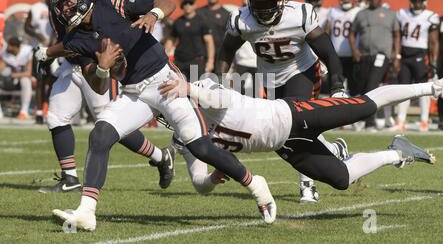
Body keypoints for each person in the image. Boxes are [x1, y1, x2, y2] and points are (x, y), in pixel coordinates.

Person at [49, 0, 276, 230]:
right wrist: (102, 68)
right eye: (61, 4)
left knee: (201, 148)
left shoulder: (112, 0)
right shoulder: (74, 39)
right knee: (100, 134)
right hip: (134, 92)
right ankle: (86, 212)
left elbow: (167, 2)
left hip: (165, 82)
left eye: (68, 1)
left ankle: (256, 185)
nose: (65, 9)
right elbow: (98, 85)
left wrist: (153, 15)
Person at [34, 0, 174, 194]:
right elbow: (68, 42)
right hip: (74, 62)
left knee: (108, 124)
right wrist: (48, 53)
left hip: (96, 63)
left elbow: (83, 39)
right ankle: (69, 178)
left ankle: (160, 156)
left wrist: (48, 52)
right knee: (56, 116)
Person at [159, 74, 438, 196]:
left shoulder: (200, 90)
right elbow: (198, 183)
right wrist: (211, 177)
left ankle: (433, 87)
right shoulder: (187, 136)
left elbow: (218, 98)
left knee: (363, 107)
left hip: (293, 114)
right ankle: (397, 152)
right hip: (284, 144)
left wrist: (190, 90)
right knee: (341, 179)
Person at [217, 0, 346, 203]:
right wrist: (217, 81)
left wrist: (337, 85)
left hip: (302, 71)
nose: (264, 10)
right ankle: (334, 151)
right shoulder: (241, 19)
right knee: (280, 135)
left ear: (282, 0)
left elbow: (327, 51)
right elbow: (227, 50)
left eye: (268, 3)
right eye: (258, 4)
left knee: (299, 128)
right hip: (269, 78)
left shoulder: (299, 15)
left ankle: (308, 184)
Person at [349, 0, 401, 130]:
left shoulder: (390, 13)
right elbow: (351, 33)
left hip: (381, 55)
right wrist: (354, 50)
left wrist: (396, 55)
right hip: (364, 55)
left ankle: (370, 121)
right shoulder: (361, 14)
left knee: (372, 86)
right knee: (364, 87)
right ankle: (363, 119)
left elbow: (397, 34)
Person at [394, 0, 440, 132]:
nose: (417, 4)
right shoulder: (402, 13)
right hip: (405, 55)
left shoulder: (430, 16)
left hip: (420, 55)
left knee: (424, 90)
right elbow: (397, 36)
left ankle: (424, 121)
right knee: (403, 89)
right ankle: (401, 121)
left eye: (419, 1)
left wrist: (433, 63)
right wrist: (396, 55)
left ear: (424, 2)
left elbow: (434, 42)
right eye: (414, 1)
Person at [165, 0, 215, 81]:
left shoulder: (201, 21)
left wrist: (210, 61)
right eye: (185, 3)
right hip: (179, 61)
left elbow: (209, 41)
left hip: (196, 60)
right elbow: (171, 39)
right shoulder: (178, 22)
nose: (187, 5)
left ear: (195, 5)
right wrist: (164, 56)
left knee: (195, 88)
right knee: (179, 89)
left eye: (190, 3)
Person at [325, 0, 361, 96]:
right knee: (336, 85)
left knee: (354, 85)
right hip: (336, 55)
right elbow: (327, 31)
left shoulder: (358, 11)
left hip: (353, 54)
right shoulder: (333, 11)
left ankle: (355, 110)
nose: (345, 0)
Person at [197, 0, 230, 71]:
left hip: (220, 53)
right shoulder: (199, 12)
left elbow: (229, 34)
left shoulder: (226, 14)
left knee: (219, 80)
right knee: (199, 80)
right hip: (202, 52)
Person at [0, 37, 33, 120]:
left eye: (9, 46)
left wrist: (14, 75)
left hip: (22, 79)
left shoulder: (27, 51)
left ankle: (24, 111)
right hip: (9, 81)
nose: (7, 47)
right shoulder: (5, 53)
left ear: (15, 47)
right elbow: (1, 68)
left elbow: (29, 73)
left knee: (25, 80)